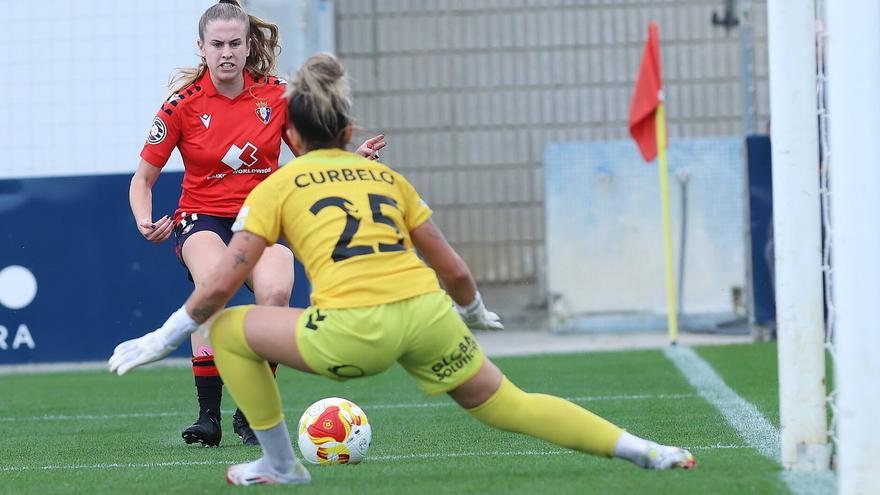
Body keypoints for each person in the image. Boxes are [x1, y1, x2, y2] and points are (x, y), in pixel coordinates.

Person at [111, 53, 695, 486]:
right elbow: (455, 270)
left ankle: (281, 464)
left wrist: (163, 337)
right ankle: (643, 449)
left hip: (354, 332)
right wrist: (474, 313)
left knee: (228, 329)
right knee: (510, 403)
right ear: (348, 133)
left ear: (290, 136)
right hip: (428, 317)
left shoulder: (276, 186)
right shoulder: (387, 178)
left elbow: (218, 284)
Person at [128, 1, 386, 447]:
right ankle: (208, 416)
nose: (226, 52)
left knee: (276, 291)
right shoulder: (180, 106)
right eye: (217, 44)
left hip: (263, 218)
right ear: (201, 47)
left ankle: (251, 411)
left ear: (249, 46)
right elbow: (143, 180)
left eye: (235, 43)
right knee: (213, 286)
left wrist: (352, 159)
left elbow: (313, 155)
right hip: (202, 219)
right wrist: (144, 220)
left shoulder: (278, 95)